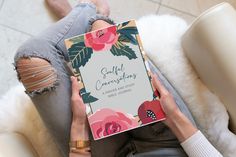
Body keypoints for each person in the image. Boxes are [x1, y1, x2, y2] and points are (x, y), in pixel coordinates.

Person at [14, 0, 223, 157]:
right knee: (101, 31)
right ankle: (91, 14)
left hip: (105, 154)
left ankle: (77, 18)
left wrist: (79, 125)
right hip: (168, 139)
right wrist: (174, 117)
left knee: (31, 61)